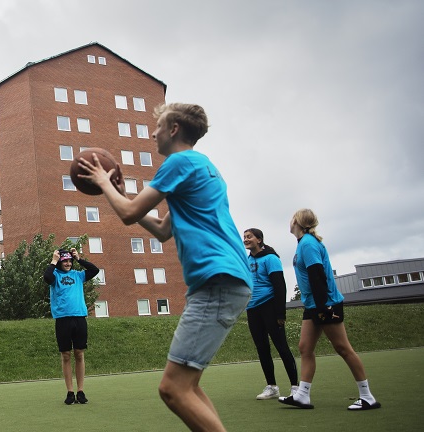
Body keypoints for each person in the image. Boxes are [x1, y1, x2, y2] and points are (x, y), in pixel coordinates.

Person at [78, 103, 252, 431]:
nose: (153, 133)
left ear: (174, 129)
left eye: (157, 126)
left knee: (172, 389)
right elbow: (161, 229)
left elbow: (128, 213)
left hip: (217, 279)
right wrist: (118, 193)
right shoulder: (203, 167)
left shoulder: (179, 161)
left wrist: (103, 183)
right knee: (189, 385)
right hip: (228, 280)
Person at [278, 208, 381, 411]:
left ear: (297, 222)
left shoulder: (308, 243)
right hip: (312, 304)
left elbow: (317, 275)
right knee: (305, 348)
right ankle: (303, 396)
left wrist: (324, 306)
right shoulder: (303, 244)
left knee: (343, 348)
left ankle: (367, 396)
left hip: (325, 302)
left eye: (292, 218)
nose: (289, 221)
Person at [243, 228, 299, 400]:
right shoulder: (248, 260)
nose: (245, 239)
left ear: (259, 240)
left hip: (270, 307)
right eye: (244, 237)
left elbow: (280, 286)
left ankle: (296, 388)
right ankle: (272, 387)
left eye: (249, 236)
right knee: (262, 349)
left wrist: (280, 313)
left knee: (281, 347)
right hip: (252, 309)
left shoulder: (271, 259)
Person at [43, 247, 99, 405]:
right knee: (66, 355)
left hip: (79, 318)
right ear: (59, 262)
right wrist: (53, 260)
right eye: (64, 261)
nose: (67, 263)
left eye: (69, 261)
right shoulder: (55, 276)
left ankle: (80, 391)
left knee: (79, 354)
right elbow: (46, 277)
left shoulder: (78, 275)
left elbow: (94, 270)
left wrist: (79, 259)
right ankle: (70, 391)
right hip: (62, 319)